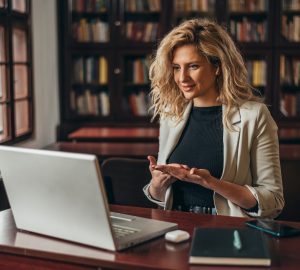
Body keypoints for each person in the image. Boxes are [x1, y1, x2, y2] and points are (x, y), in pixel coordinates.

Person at [143, 18, 284, 218]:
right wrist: (157, 184)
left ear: (217, 67)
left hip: (227, 231)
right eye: (176, 67)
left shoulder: (254, 116)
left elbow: (274, 200)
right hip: (175, 227)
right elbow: (159, 197)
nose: (182, 78)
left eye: (193, 66)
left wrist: (211, 183)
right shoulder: (171, 113)